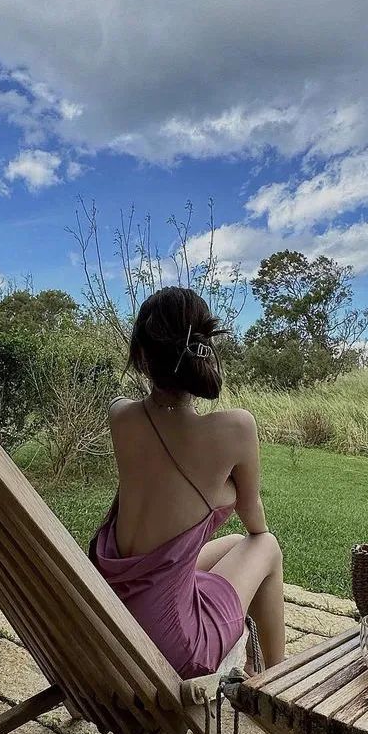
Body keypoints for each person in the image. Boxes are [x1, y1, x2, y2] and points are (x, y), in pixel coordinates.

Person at [89, 286, 285, 680]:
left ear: (141, 356)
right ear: (203, 350)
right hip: (169, 643)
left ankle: (255, 663)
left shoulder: (120, 415)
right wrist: (227, 493)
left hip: (111, 608)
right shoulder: (235, 428)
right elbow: (255, 522)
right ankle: (277, 679)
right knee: (266, 545)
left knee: (235, 544)